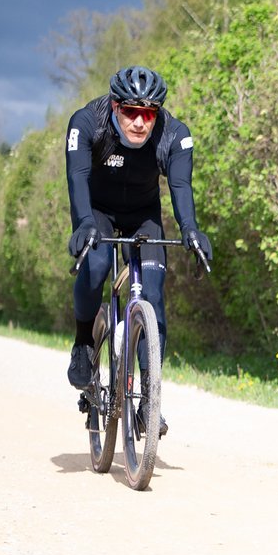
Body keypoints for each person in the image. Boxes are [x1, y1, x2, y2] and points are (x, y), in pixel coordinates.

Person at [64, 65, 212, 438]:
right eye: (130, 111)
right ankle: (83, 343)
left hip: (144, 215)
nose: (139, 123)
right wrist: (83, 222)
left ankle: (149, 401)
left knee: (154, 294)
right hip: (95, 211)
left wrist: (191, 230)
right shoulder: (87, 123)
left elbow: (181, 186)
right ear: (115, 107)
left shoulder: (174, 135)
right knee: (96, 266)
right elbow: (77, 177)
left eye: (149, 113)